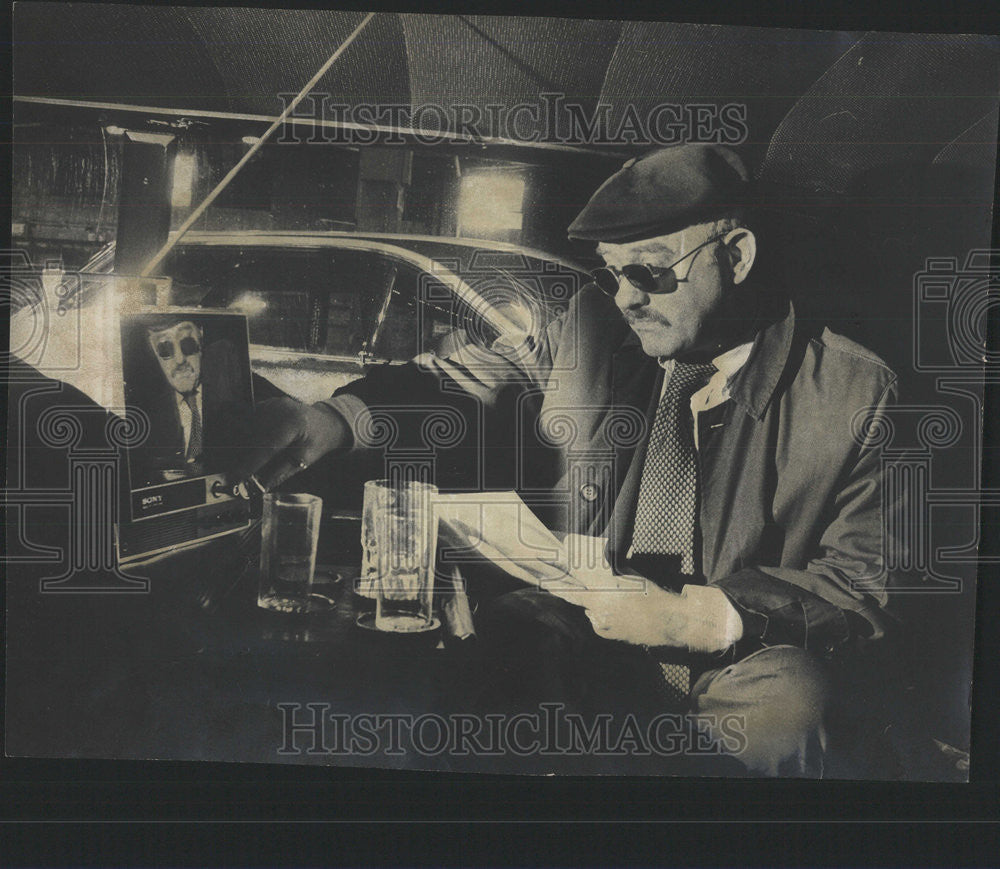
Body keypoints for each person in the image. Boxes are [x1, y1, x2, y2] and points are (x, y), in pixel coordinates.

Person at [234, 145, 905, 777]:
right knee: (476, 661)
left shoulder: (854, 392)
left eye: (648, 272)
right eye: (612, 274)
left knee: (792, 707)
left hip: (737, 663)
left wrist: (696, 617)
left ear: (736, 254)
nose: (625, 297)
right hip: (583, 636)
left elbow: (861, 586)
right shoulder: (599, 328)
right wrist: (334, 418)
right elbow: (471, 376)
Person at [127, 316, 250, 485]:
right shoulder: (142, 415)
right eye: (164, 348)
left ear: (201, 338)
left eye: (187, 343)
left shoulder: (235, 387)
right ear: (154, 353)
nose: (179, 360)